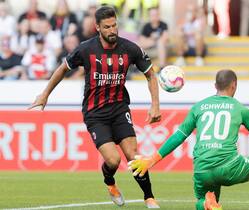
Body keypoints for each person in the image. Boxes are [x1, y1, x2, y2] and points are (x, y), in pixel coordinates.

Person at [29, 6, 161, 208]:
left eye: (114, 25)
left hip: (119, 109)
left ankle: (149, 197)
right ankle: (110, 182)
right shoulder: (86, 49)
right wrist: (45, 94)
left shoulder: (130, 48)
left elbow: (151, 74)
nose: (112, 30)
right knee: (114, 161)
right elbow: (63, 68)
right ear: (98, 27)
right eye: (107, 27)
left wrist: (155, 105)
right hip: (95, 114)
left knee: (133, 155)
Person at [129, 70, 249, 210]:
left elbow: (178, 136)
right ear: (234, 86)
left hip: (201, 169)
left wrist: (153, 159)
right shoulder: (240, 109)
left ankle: (206, 204)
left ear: (215, 85)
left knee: (203, 201)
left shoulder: (198, 107)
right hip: (228, 165)